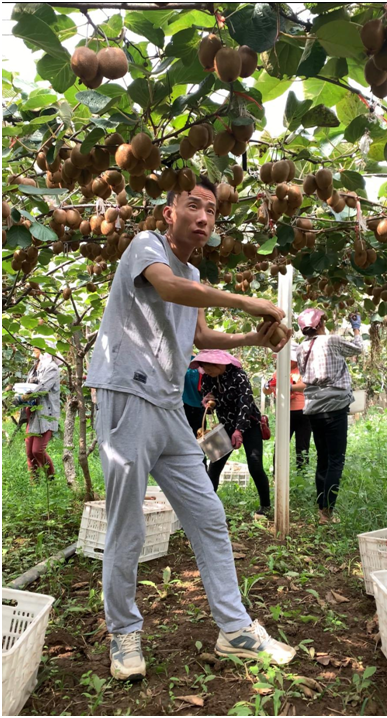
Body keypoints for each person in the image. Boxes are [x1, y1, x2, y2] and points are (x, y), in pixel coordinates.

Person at [85, 175, 295, 682]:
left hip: (165, 406)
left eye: (212, 212)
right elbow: (170, 287)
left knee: (208, 514)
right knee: (127, 524)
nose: (204, 218)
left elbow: (199, 334)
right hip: (127, 394)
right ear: (169, 213)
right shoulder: (146, 247)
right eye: (193, 206)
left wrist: (250, 337)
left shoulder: (194, 269)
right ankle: (124, 632)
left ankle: (234, 629)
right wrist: (249, 303)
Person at [296, 309, 363, 524]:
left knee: (323, 459)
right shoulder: (331, 341)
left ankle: (321, 509)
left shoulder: (301, 347)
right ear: (320, 324)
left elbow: (306, 378)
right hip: (335, 406)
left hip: (314, 408)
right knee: (336, 460)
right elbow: (358, 349)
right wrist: (356, 328)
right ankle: (327, 513)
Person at [191, 349, 271, 518]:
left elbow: (246, 403)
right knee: (215, 466)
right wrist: (207, 402)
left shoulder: (239, 376)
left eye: (210, 367)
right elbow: (208, 400)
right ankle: (207, 508)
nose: (207, 371)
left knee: (255, 464)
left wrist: (239, 430)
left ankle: (266, 506)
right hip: (225, 425)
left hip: (249, 424)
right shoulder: (207, 377)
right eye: (204, 367)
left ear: (220, 364)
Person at [264, 342, 312, 470]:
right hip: (284, 412)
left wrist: (289, 387)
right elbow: (268, 389)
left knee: (302, 446)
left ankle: (302, 474)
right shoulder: (278, 372)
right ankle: (277, 474)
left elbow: (307, 385)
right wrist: (267, 387)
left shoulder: (303, 370)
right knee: (280, 445)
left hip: (303, 412)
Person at [23, 347, 60, 483]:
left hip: (46, 413)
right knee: (29, 453)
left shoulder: (51, 367)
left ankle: (51, 482)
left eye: (36, 346)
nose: (33, 348)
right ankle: (35, 484)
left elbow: (43, 388)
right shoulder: (35, 366)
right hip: (33, 413)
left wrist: (25, 396)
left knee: (37, 450)